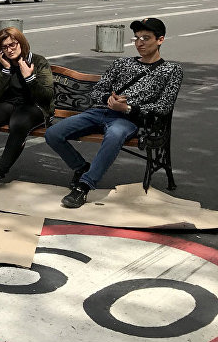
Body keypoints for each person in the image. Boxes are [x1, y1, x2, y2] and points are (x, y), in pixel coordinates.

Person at [45, 18, 183, 208]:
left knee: (115, 135)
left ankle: (84, 186)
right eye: (136, 38)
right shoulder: (122, 63)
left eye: (145, 38)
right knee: (53, 133)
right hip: (100, 112)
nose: (139, 43)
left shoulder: (171, 70)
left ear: (160, 40)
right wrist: (107, 99)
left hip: (128, 119)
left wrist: (128, 108)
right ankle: (81, 167)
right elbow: (97, 90)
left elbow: (163, 107)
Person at [0, 27, 54, 190]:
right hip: (8, 103)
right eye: (4, 47)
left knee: (19, 124)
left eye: (12, 45)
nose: (9, 50)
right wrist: (5, 71)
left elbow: (47, 95)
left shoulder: (38, 61)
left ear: (21, 43)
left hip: (33, 106)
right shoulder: (0, 63)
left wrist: (29, 77)